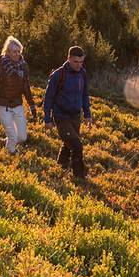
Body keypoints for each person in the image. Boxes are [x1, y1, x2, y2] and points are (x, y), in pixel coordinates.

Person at [43, 45, 93, 179]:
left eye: (81, 62)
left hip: (76, 116)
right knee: (77, 145)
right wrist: (47, 119)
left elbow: (84, 95)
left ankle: (60, 166)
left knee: (68, 144)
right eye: (76, 62)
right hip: (61, 116)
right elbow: (48, 98)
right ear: (69, 58)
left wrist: (87, 114)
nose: (79, 65)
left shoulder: (82, 73)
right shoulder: (58, 75)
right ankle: (79, 176)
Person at [0, 35, 37, 155]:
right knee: (12, 136)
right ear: (8, 52)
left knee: (22, 137)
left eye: (19, 51)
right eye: (14, 52)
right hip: (3, 105)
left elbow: (26, 87)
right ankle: (10, 155)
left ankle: (6, 142)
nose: (17, 54)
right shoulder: (1, 66)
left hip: (17, 105)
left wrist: (32, 105)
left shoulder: (23, 66)